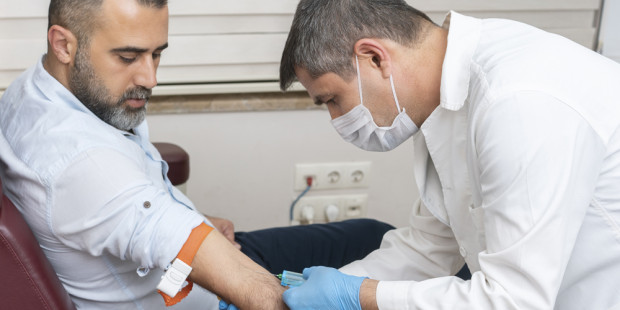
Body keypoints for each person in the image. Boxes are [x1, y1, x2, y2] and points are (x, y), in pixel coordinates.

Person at [0, 0, 394, 309]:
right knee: (379, 256)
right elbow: (257, 296)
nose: (150, 78)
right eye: (128, 57)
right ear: (63, 43)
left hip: (171, 266)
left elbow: (112, 209)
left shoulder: (35, 92)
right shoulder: (84, 166)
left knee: (375, 238)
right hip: (201, 299)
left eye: (157, 54)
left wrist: (193, 219)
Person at [278, 0, 620, 309]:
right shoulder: (443, 106)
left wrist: (357, 295)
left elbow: (514, 301)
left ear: (375, 57)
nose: (337, 120)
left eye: (333, 99)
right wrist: (319, 290)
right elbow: (429, 247)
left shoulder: (516, 102)